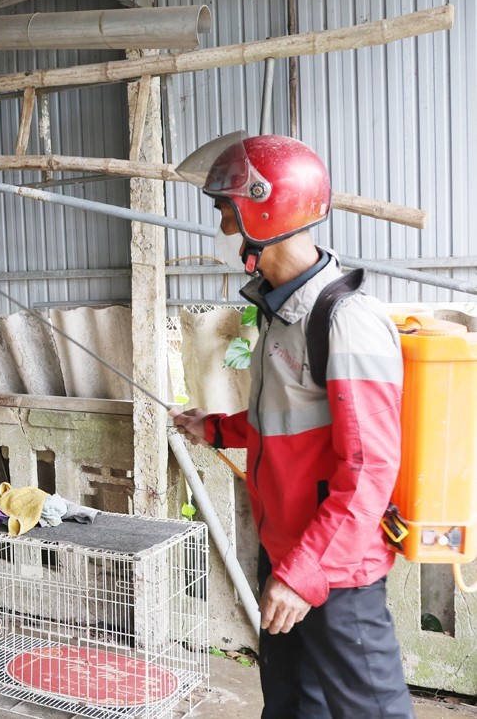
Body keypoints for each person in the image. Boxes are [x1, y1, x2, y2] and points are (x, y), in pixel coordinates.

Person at [171, 134, 413, 718]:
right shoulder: (281, 313)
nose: (223, 230)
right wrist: (215, 429)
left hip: (336, 572)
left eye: (227, 214)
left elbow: (369, 467)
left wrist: (305, 573)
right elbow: (283, 421)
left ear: (265, 212)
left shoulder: (345, 320)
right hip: (285, 553)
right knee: (290, 707)